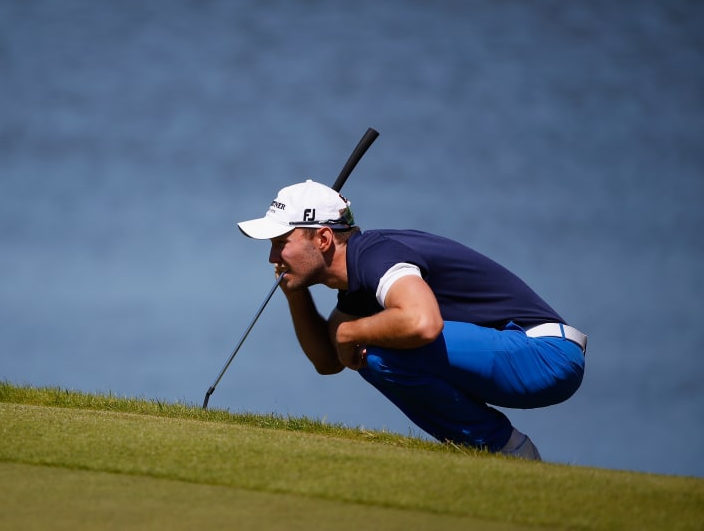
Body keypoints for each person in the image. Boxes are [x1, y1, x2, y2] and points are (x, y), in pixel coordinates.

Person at [237, 179, 586, 460]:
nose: (272, 256)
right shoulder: (358, 279)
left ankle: (506, 449)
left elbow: (423, 323)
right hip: (524, 355)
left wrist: (352, 332)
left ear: (324, 238)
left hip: (546, 353)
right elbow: (329, 360)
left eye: (281, 242)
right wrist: (296, 294)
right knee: (368, 347)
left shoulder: (377, 256)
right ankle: (498, 449)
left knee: (374, 347)